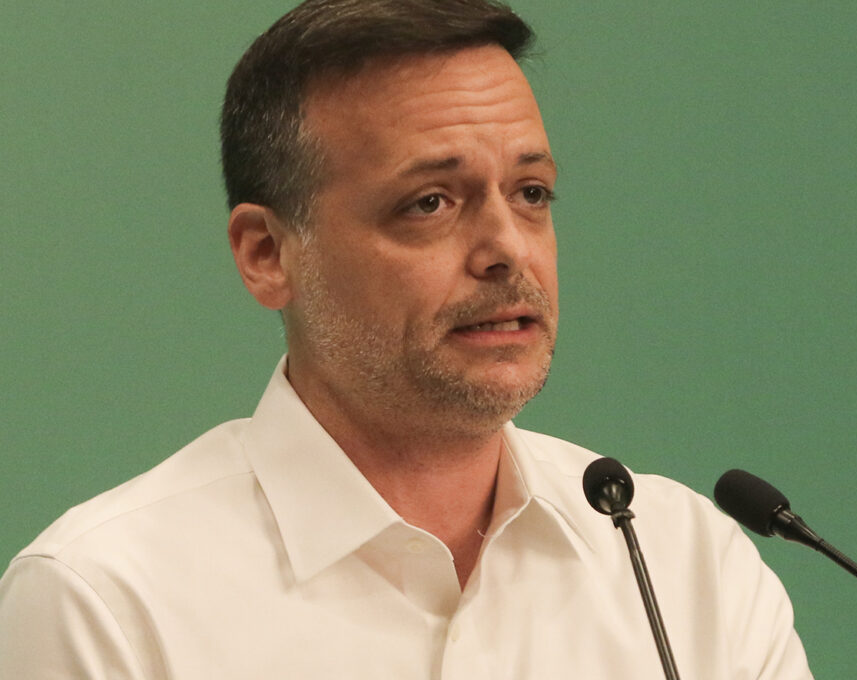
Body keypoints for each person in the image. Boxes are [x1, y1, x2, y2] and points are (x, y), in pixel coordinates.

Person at [0, 1, 812, 677]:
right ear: (268, 254)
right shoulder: (108, 603)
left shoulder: (684, 567)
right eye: (430, 203)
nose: (507, 249)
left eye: (531, 193)